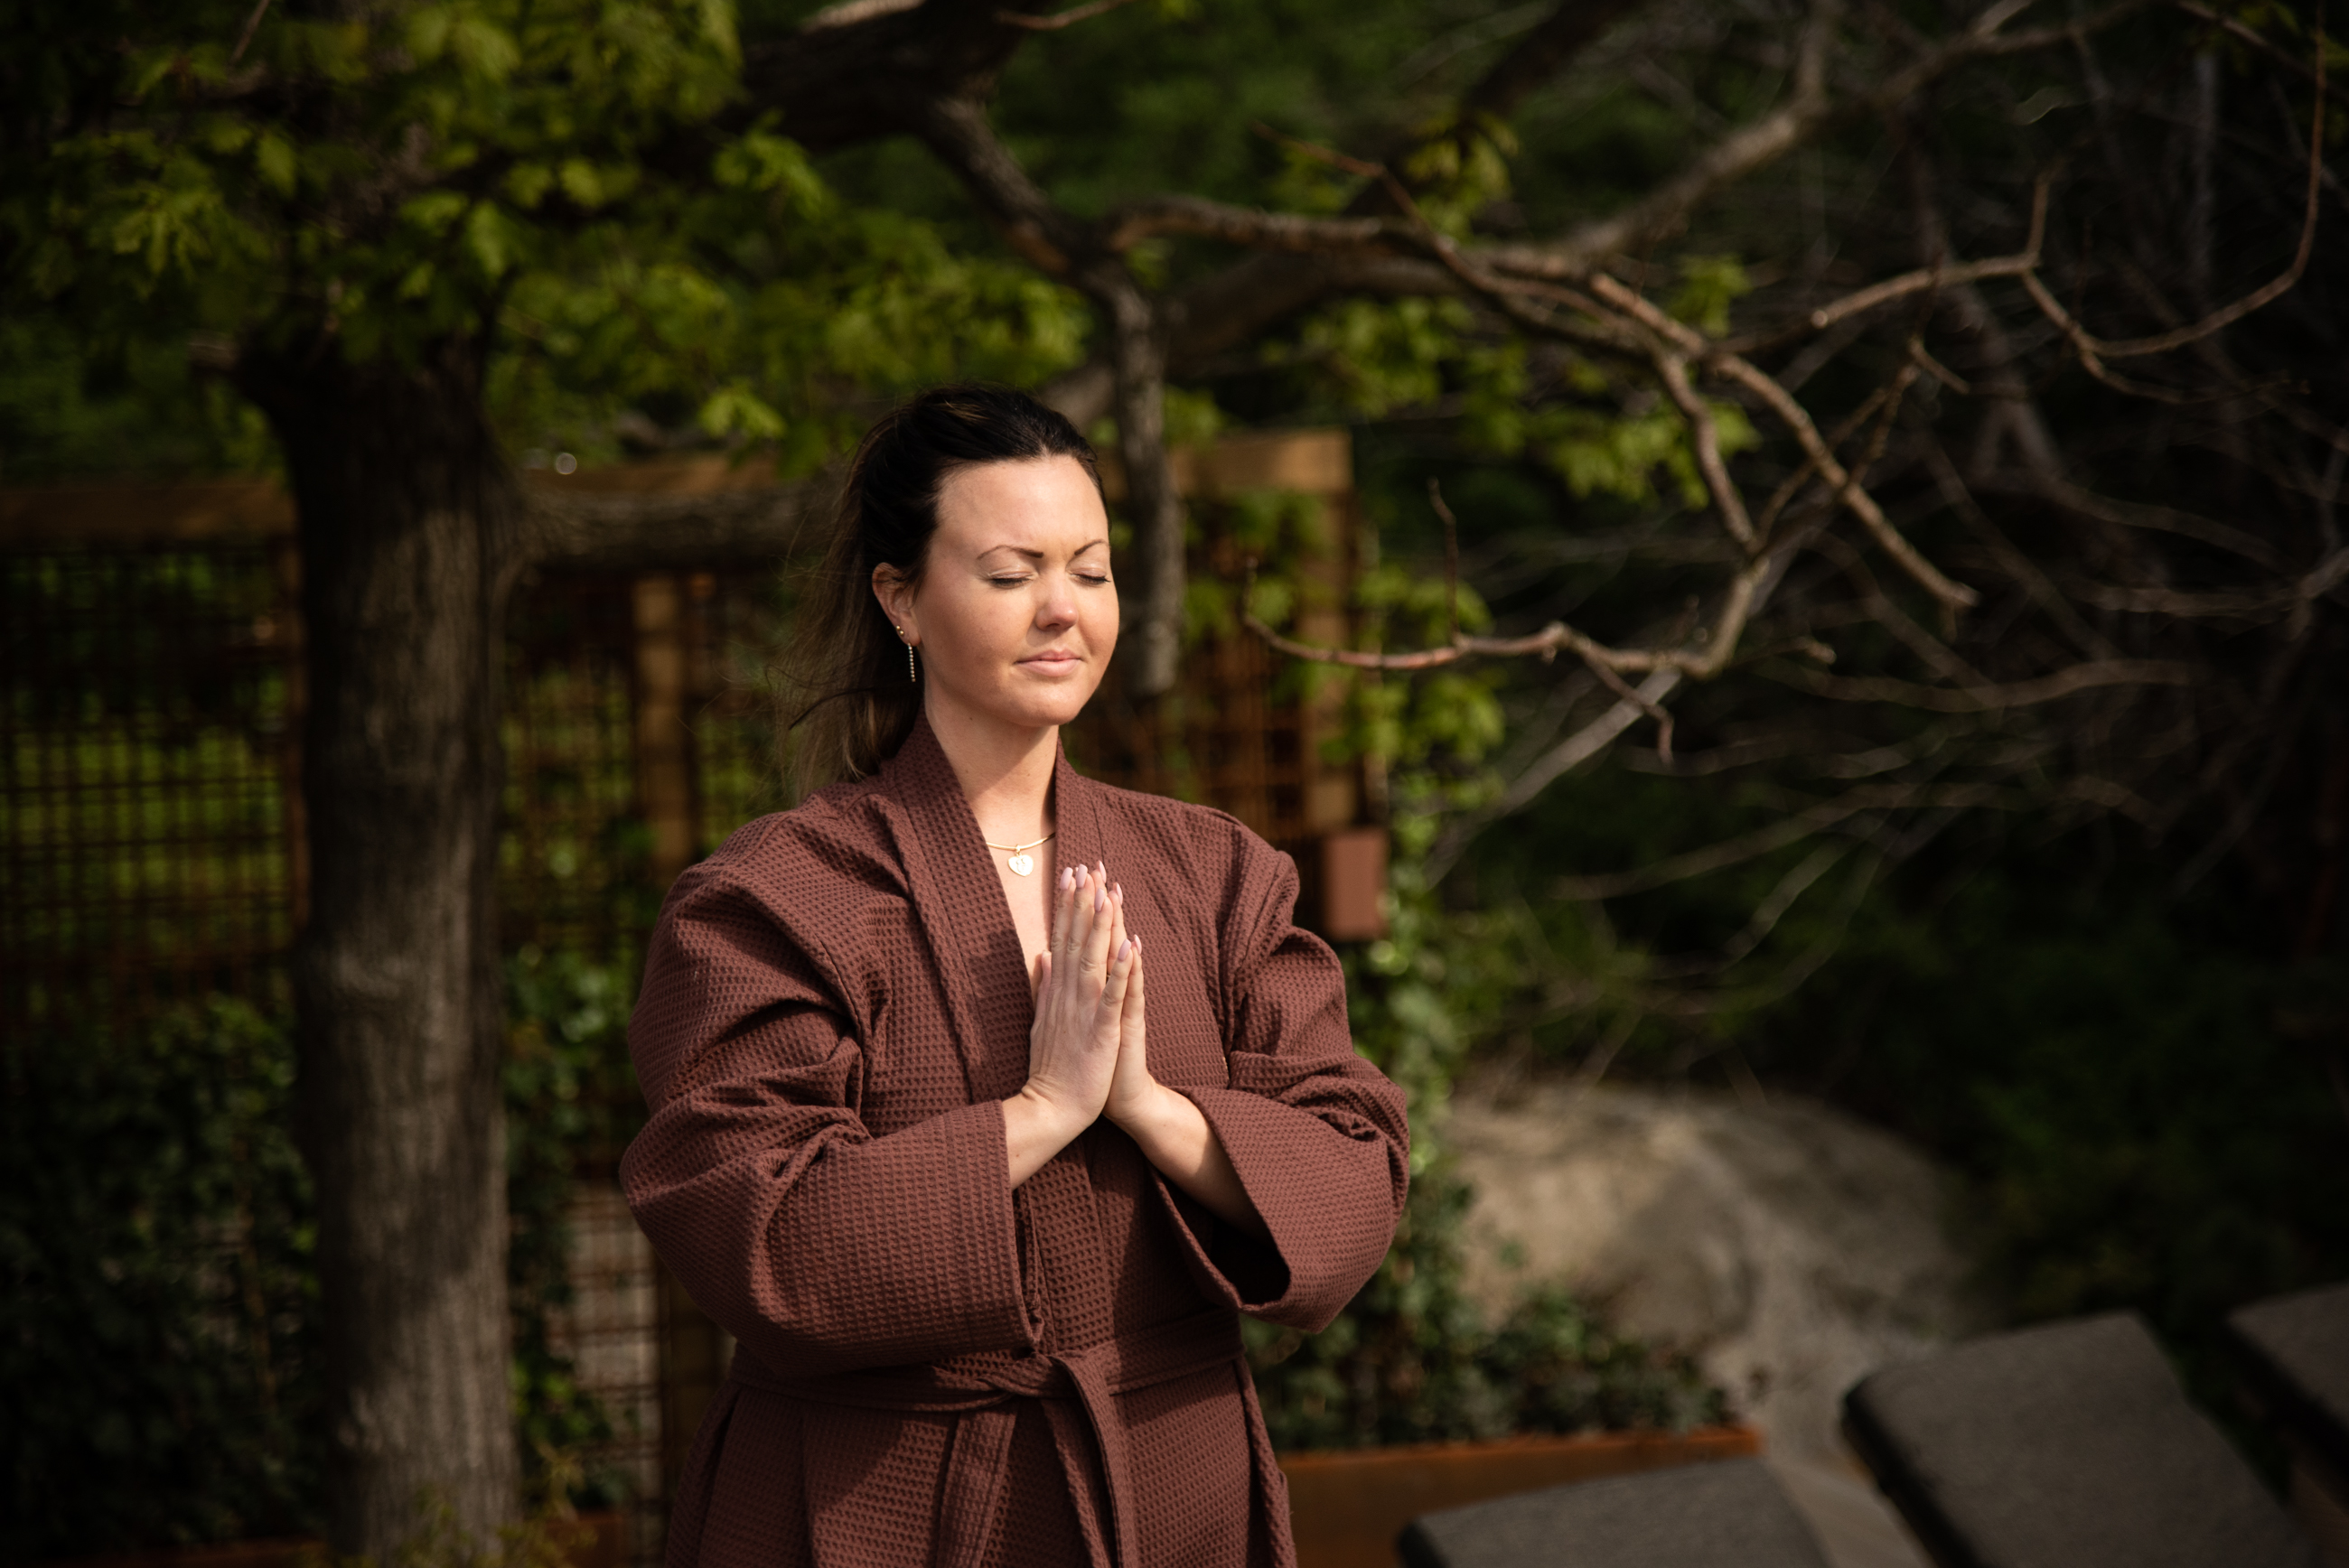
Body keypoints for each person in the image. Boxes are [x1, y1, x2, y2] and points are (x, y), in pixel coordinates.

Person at [621, 384, 1409, 1568]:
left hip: (1169, 1485)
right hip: (882, 1500)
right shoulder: (775, 900)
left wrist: (1144, 1104)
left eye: (1089, 572)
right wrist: (1041, 1115)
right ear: (901, 598)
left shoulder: (1215, 872)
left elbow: (1355, 1175)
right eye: (1010, 573)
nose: (1062, 612)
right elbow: (760, 1232)